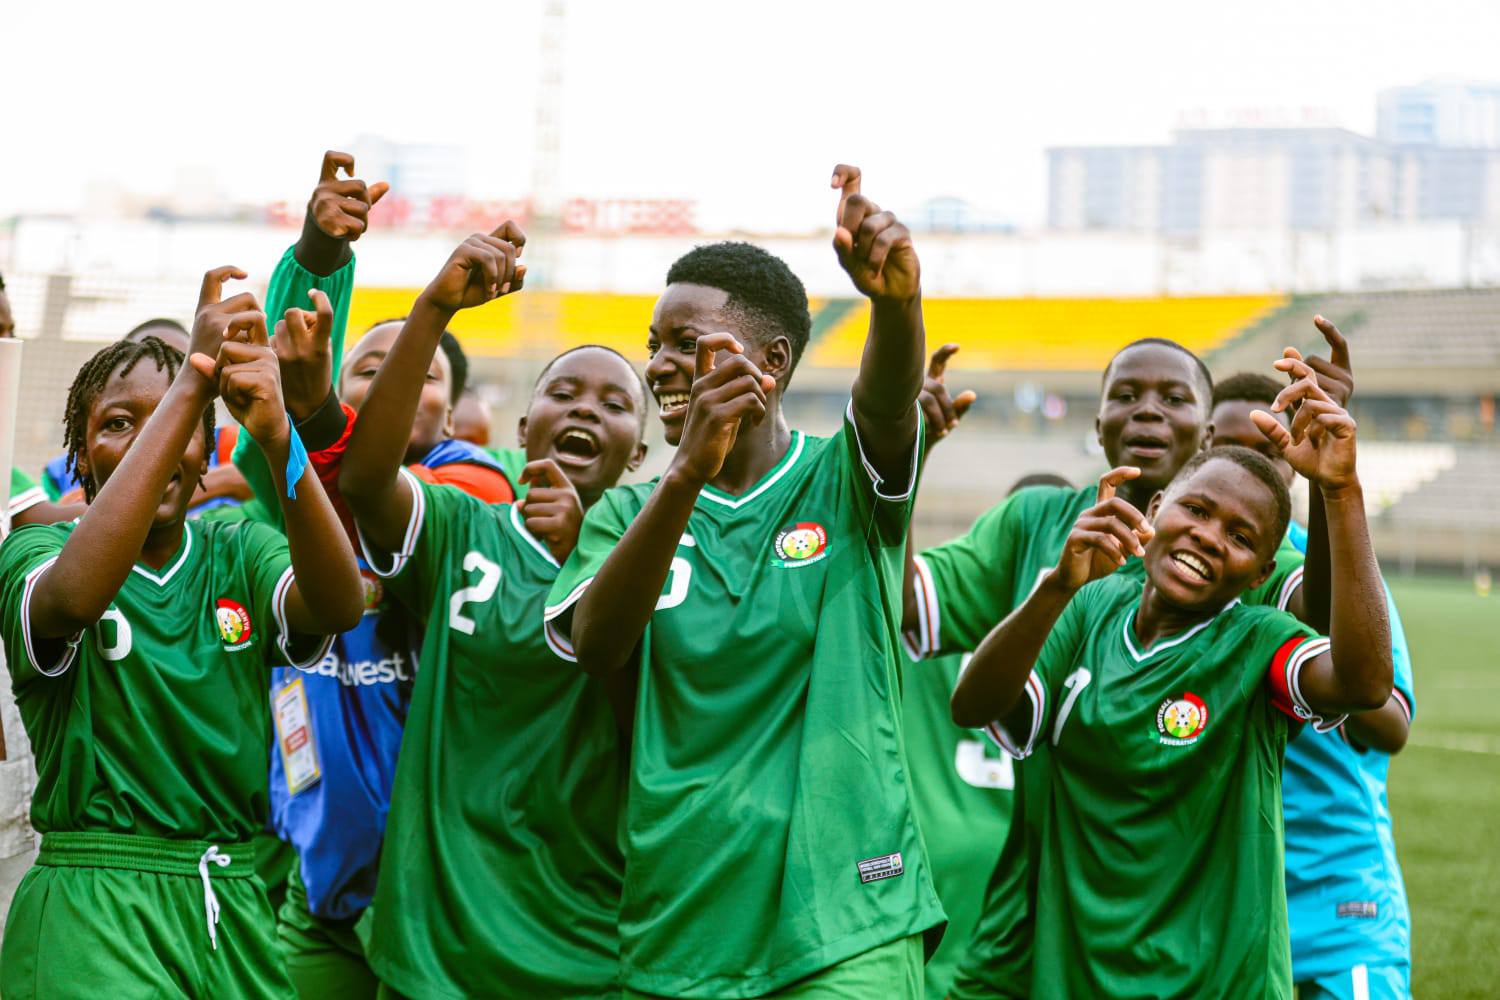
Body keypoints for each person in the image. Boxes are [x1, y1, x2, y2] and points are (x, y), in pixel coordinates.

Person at [546, 166, 944, 998]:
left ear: (772, 362)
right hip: (683, 914)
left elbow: (883, 403)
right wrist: (687, 470)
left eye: (683, 344)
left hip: (845, 919)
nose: (658, 364)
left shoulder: (842, 485)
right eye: (653, 342)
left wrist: (895, 304)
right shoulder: (627, 517)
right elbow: (597, 647)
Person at [948, 354, 1393, 996]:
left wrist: (1339, 491)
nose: (1211, 537)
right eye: (1199, 510)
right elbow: (976, 705)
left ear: (1262, 574)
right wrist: (1056, 588)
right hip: (1077, 975)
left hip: (1218, 981)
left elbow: (1365, 685)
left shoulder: (1256, 640)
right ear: (1157, 505)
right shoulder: (1091, 606)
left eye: (1241, 537)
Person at [0, 270, 363, 997]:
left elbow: (339, 605)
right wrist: (192, 381)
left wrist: (277, 434)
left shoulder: (237, 548)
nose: (147, 444)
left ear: (204, 451)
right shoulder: (36, 555)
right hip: (93, 907)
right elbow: (69, 604)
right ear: (79, 457)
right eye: (115, 424)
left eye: (166, 424)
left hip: (232, 907)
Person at [338, 223, 650, 998]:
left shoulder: (665, 564)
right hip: (436, 952)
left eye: (615, 404)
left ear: (639, 453)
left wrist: (588, 559)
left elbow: (652, 719)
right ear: (522, 430)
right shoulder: (462, 529)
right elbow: (368, 479)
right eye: (563, 394)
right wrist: (434, 309)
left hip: (590, 951)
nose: (585, 409)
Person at [1212, 352, 1415, 996]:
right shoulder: (1191, 575)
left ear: (1293, 453)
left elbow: (1390, 725)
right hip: (1233, 900)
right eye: (1226, 446)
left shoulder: (1345, 572)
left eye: (1266, 447)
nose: (1247, 464)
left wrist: (1321, 673)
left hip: (1337, 897)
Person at [41, 319, 253, 519]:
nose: (161, 373)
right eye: (119, 424)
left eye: (180, 365)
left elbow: (264, 486)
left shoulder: (228, 444)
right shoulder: (60, 473)